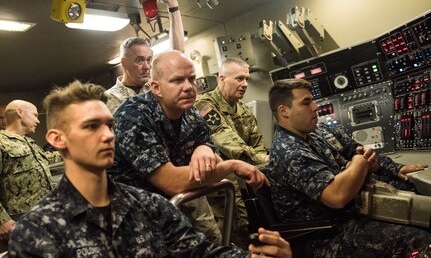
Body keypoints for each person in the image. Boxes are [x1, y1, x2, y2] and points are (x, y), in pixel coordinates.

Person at [7, 80, 292, 258]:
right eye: (92, 126)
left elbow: (201, 252)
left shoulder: (150, 206)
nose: (107, 135)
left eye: (110, 125)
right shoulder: (38, 230)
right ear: (58, 140)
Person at [110, 50, 269, 245]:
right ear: (156, 88)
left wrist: (203, 149)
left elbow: (213, 159)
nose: (188, 87)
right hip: (134, 218)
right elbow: (172, 181)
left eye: (191, 79)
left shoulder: (191, 114)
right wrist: (232, 166)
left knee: (215, 243)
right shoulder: (133, 115)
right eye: (177, 81)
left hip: (178, 205)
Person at [265, 78, 430, 257]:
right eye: (306, 103)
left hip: (351, 214)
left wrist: (388, 166)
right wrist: (359, 163)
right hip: (326, 235)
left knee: (413, 194)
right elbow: (336, 196)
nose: (315, 107)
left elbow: (355, 149)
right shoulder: (289, 151)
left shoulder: (318, 132)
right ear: (284, 111)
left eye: (313, 100)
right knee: (417, 241)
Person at [194, 57, 268, 248]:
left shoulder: (243, 109)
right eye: (238, 79)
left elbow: (257, 142)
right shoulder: (204, 105)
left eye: (246, 79)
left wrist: (263, 163)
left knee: (252, 230)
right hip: (221, 186)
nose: (244, 84)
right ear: (222, 79)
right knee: (227, 237)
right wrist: (263, 160)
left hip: (247, 182)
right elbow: (227, 141)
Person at [105, 0, 185, 113]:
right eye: (140, 60)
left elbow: (178, 56)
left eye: (149, 60)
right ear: (124, 63)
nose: (147, 66)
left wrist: (172, 4)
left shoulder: (156, 88)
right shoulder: (107, 99)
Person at [0, 100, 61, 252]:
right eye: (34, 115)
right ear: (20, 113)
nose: (38, 120)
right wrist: (2, 220)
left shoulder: (29, 142)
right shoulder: (1, 142)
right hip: (18, 220)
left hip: (43, 215)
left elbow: (47, 159)